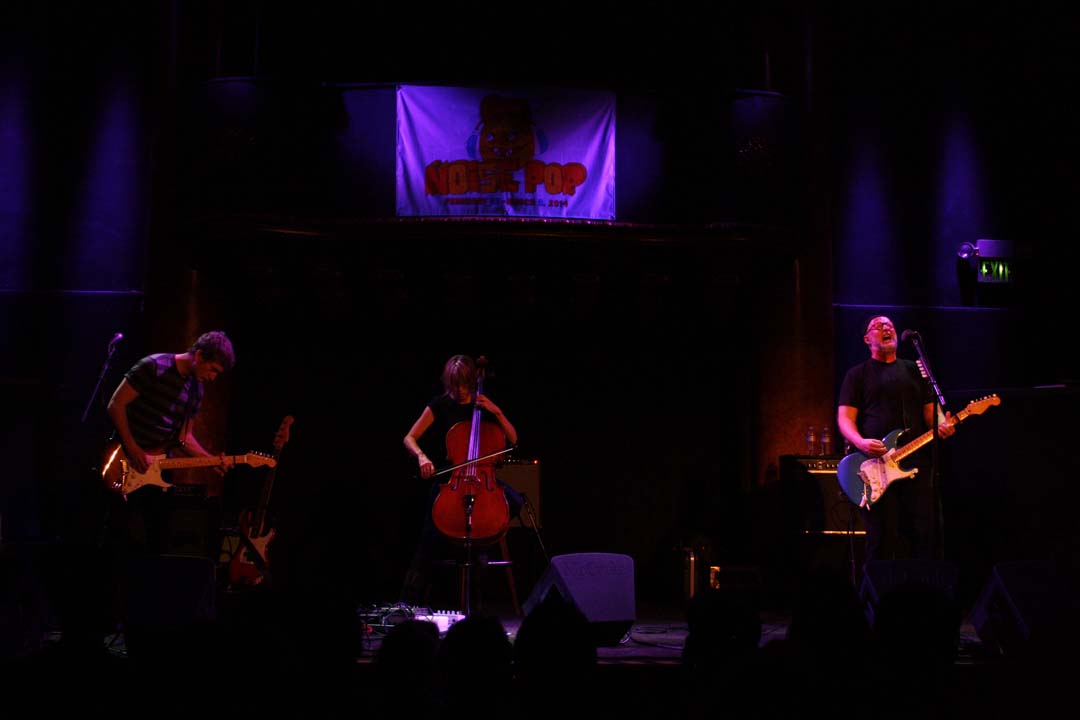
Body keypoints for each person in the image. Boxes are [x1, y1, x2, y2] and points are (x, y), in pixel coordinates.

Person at [105, 330, 237, 561]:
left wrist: (210, 460)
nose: (213, 377)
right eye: (213, 369)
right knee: (115, 533)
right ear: (198, 355)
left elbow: (184, 438)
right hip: (124, 457)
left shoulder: (197, 389)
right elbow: (116, 405)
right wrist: (133, 447)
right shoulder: (154, 366)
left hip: (155, 469)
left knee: (154, 538)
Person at [400, 354, 520, 609]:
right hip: (451, 480)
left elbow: (513, 438)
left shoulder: (483, 406)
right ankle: (408, 602)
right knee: (429, 537)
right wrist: (422, 457)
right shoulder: (440, 405)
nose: (458, 391)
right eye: (453, 386)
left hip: (483, 479)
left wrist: (495, 410)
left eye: (463, 385)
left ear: (472, 381)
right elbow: (410, 437)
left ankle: (482, 542)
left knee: (516, 502)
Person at [836, 316, 955, 571]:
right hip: (876, 466)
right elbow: (845, 419)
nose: (886, 328)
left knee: (925, 531)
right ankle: (875, 600)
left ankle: (925, 593)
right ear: (867, 339)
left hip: (916, 462)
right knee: (881, 537)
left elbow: (930, 411)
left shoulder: (915, 369)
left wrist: (941, 421)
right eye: (877, 326)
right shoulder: (857, 375)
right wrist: (861, 442)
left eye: (889, 325)